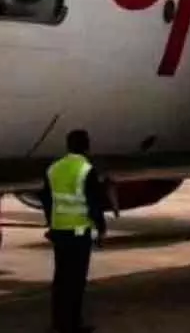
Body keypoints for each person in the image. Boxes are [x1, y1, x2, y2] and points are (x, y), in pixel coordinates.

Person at [40, 129, 107, 333]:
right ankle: (73, 323)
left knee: (60, 279)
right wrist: (101, 226)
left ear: (68, 146)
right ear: (87, 146)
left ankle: (58, 323)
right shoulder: (86, 170)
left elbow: (46, 199)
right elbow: (94, 203)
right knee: (76, 280)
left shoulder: (54, 169)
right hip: (79, 233)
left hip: (60, 231)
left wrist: (51, 224)